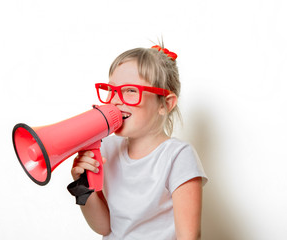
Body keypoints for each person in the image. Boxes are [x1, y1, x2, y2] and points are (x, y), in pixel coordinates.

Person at [70, 44, 208, 240]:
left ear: (165, 104)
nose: (116, 100)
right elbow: (103, 227)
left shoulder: (178, 156)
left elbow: (189, 237)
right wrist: (83, 186)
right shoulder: (106, 148)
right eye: (112, 90)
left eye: (130, 91)